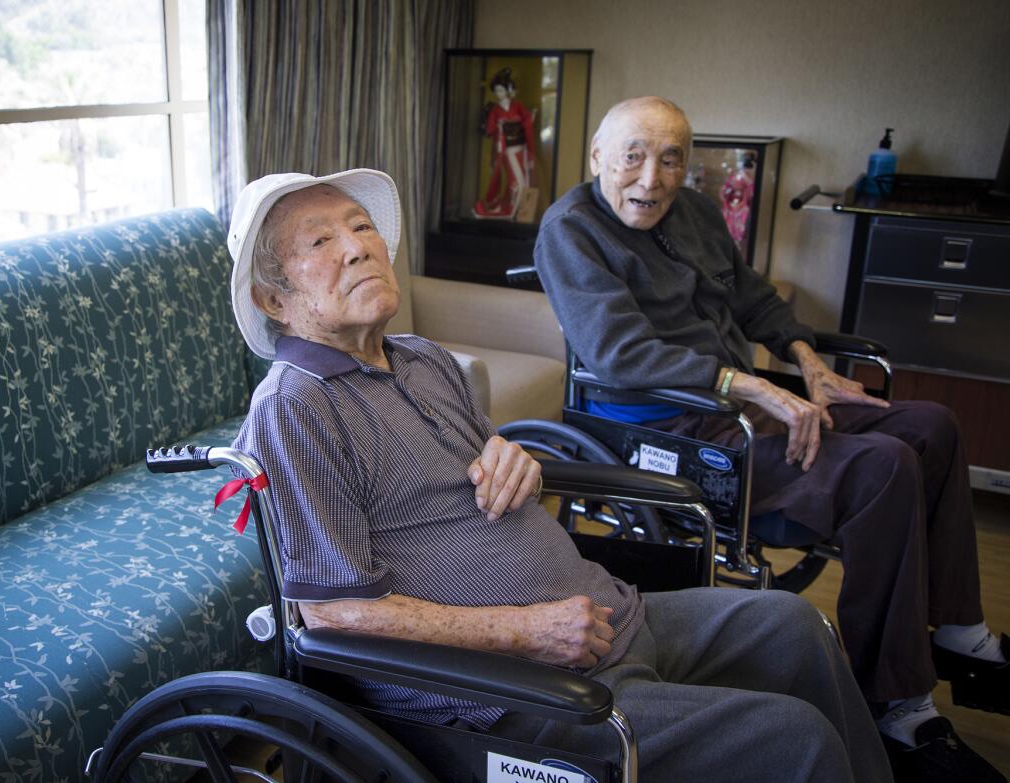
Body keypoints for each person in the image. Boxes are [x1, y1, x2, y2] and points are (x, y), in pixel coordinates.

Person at [227, 167, 893, 782]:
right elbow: (333, 611)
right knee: (796, 740)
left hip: (608, 616)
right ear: (273, 299)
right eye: (320, 239)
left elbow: (504, 471)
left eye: (361, 225)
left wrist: (523, 463)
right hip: (510, 694)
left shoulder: (424, 359)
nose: (356, 246)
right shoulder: (297, 406)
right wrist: (528, 631)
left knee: (798, 627)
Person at [534, 95, 1007, 782]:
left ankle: (958, 631)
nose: (651, 177)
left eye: (670, 159)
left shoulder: (692, 212)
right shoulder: (570, 229)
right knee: (882, 467)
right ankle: (897, 704)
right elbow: (618, 351)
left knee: (932, 426)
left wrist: (810, 366)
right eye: (632, 156)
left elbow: (753, 297)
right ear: (597, 157)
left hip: (742, 395)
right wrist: (754, 385)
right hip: (670, 423)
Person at [473, 68, 535, 220]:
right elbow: (490, 129)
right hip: (506, 150)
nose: (499, 94)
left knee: (523, 181)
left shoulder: (518, 106)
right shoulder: (495, 109)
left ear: (509, 90)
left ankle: (518, 211)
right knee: (515, 181)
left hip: (520, 148)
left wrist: (531, 152)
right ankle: (512, 210)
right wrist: (498, 124)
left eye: (502, 90)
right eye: (497, 91)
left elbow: (527, 127)